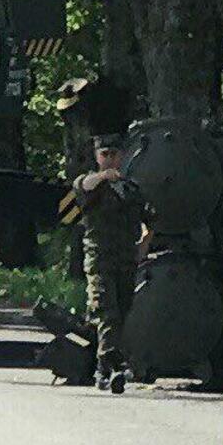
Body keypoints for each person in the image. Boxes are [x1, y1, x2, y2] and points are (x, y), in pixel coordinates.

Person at [72, 133, 148, 394]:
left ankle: (102, 369)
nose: (110, 160)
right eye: (105, 155)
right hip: (99, 260)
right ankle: (115, 365)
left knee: (122, 312)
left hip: (126, 260)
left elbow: (149, 218)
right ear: (97, 157)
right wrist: (104, 176)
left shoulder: (131, 190)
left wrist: (144, 245)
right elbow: (85, 186)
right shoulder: (89, 184)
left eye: (114, 154)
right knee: (107, 311)